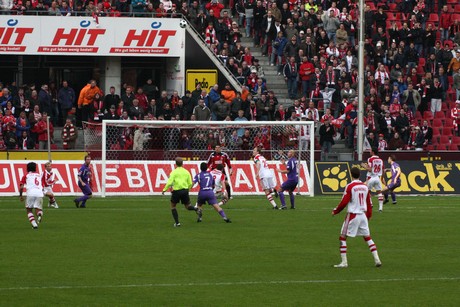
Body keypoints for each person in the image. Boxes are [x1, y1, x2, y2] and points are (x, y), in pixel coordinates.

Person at [332, 167, 382, 268]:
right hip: (363, 215)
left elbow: (344, 202)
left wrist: (336, 211)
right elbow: (369, 203)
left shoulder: (350, 186)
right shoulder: (365, 187)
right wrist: (368, 216)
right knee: (367, 237)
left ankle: (344, 262)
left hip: (353, 215)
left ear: (351, 175)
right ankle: (377, 260)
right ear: (359, 175)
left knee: (342, 237)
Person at [162, 157, 199, 227]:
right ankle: (196, 208)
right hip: (185, 191)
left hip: (176, 191)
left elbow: (170, 182)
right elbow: (190, 183)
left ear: (175, 164)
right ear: (182, 163)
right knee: (188, 206)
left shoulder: (174, 172)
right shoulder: (186, 172)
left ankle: (177, 223)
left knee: (173, 206)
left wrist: (164, 189)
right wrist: (187, 189)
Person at [19, 162, 44, 229]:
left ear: (27, 168)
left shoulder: (26, 176)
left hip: (30, 194)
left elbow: (21, 187)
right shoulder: (39, 175)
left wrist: (21, 196)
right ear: (35, 168)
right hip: (39, 193)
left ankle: (34, 224)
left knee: (29, 210)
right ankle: (39, 214)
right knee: (38, 209)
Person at [361, 147, 384, 212]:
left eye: (370, 150)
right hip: (377, 178)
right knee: (379, 192)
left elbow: (370, 169)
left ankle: (370, 204)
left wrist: (364, 166)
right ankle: (380, 208)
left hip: (370, 177)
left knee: (367, 191)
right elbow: (383, 170)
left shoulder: (370, 159)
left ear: (373, 152)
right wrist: (382, 178)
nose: (369, 151)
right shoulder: (380, 160)